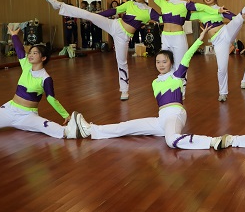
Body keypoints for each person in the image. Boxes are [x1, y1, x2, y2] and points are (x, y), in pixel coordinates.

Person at [74, 27, 229, 150]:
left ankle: (212, 141)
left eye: (164, 62)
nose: (161, 65)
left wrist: (200, 39)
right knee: (126, 127)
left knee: (171, 141)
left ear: (171, 63)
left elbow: (187, 55)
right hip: (161, 119)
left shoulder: (177, 76)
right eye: (158, 62)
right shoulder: (155, 82)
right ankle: (90, 129)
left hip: (175, 115)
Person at [45, 0, 160, 101]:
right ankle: (59, 5)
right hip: (114, 25)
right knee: (89, 14)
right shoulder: (129, 4)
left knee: (122, 62)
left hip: (123, 37)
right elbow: (113, 11)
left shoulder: (149, 11)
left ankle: (124, 90)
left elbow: (163, 19)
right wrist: (96, 16)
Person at [136, 0, 223, 99]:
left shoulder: (184, 4)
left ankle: (181, 92)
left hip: (178, 38)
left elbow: (201, 7)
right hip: (165, 37)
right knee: (166, 63)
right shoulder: (163, 2)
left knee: (181, 64)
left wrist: (217, 11)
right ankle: (169, 88)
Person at [0, 25, 81, 139]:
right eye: (30, 52)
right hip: (9, 110)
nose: (30, 55)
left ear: (43, 58)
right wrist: (14, 36)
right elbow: (19, 50)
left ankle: (75, 129)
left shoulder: (46, 78)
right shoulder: (26, 66)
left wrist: (65, 115)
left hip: (27, 115)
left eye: (35, 53)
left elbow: (51, 99)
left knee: (53, 128)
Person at [189, 0, 245, 102]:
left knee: (239, 19)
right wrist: (188, 5)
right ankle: (223, 93)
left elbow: (234, 17)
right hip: (217, 42)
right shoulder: (199, 12)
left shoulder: (220, 9)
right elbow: (186, 16)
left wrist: (243, 17)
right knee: (221, 68)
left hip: (225, 32)